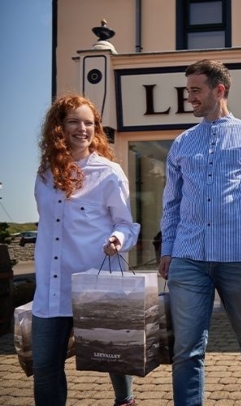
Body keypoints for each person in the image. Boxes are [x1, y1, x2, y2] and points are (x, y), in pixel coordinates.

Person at [158, 59, 241, 406]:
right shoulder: (182, 142)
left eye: (196, 90)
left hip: (240, 258)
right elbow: (171, 203)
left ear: (219, 90)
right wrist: (167, 249)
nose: (190, 98)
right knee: (187, 347)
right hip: (188, 258)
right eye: (188, 91)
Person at [32, 94, 140, 406]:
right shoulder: (44, 174)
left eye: (89, 123)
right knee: (45, 367)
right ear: (59, 127)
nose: (83, 128)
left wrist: (118, 239)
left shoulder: (108, 172)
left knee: (114, 356)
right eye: (74, 121)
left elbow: (127, 224)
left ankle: (125, 400)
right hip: (51, 290)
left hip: (97, 283)